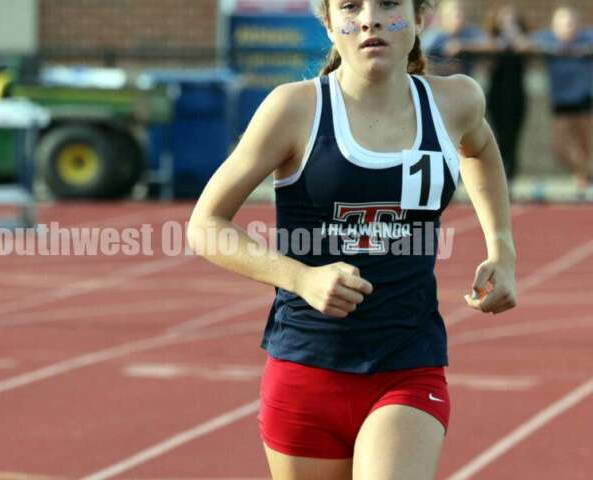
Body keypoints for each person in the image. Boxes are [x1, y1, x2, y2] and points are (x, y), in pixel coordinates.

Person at [187, 0, 517, 478]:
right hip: (306, 367)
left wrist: (501, 249)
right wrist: (302, 277)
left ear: (420, 18)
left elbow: (480, 149)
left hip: (407, 363)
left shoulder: (455, 102)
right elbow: (205, 224)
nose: (369, 19)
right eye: (350, 6)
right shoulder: (293, 108)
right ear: (328, 23)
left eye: (387, 4)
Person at [532, 6, 593, 193]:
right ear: (554, 26)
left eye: (571, 23)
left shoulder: (587, 37)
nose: (568, 28)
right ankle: (585, 173)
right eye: (563, 24)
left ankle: (584, 181)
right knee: (559, 148)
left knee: (586, 146)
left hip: (584, 100)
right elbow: (525, 43)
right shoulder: (546, 39)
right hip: (560, 102)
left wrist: (583, 50)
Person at [483, 3, 532, 181]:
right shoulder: (491, 39)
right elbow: (487, 63)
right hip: (497, 93)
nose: (508, 21)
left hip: (517, 94)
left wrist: (513, 32)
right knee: (498, 136)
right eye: (505, 18)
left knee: (514, 137)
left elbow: (525, 48)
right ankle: (498, 176)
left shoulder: (522, 39)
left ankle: (510, 176)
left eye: (512, 18)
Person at [423, 0, 486, 76]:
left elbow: (491, 44)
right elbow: (423, 59)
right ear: (445, 16)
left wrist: (462, 45)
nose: (461, 18)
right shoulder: (434, 36)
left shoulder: (469, 31)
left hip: (466, 81)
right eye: (456, 15)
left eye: (461, 14)